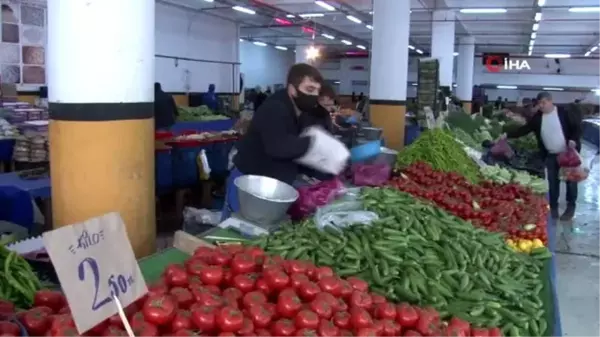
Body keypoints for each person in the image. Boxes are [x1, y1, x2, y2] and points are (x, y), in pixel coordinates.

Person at [222, 63, 327, 219]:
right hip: (249, 186)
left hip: (272, 185)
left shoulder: (302, 112)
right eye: (309, 90)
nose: (314, 96)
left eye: (317, 91)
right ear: (292, 89)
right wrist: (313, 143)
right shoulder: (275, 108)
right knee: (235, 233)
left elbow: (297, 148)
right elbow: (279, 147)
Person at [502, 91, 582, 220]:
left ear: (550, 101)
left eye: (544, 103)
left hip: (567, 154)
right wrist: (507, 135)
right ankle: (554, 208)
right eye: (539, 104)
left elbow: (576, 128)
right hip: (550, 155)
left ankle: (570, 207)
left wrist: (574, 139)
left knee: (571, 181)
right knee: (553, 182)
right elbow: (524, 129)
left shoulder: (563, 112)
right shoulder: (538, 118)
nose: (542, 106)